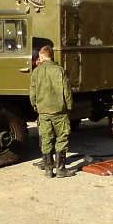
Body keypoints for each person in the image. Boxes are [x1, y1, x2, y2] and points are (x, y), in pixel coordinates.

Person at [29, 45, 75, 178]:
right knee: (62, 138)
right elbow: (67, 91)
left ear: (41, 56)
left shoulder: (36, 72)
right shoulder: (60, 70)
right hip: (59, 111)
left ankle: (48, 170)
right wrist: (69, 106)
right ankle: (60, 169)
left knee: (46, 139)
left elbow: (32, 93)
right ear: (51, 56)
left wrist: (36, 106)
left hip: (43, 111)